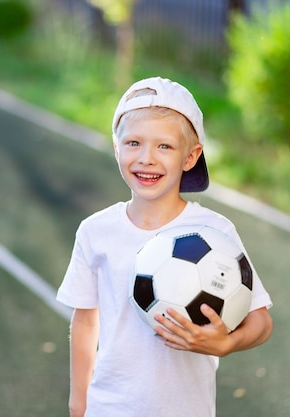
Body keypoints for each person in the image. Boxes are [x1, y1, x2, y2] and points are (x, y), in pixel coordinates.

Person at [56, 77, 273, 417]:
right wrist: (79, 400)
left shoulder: (215, 233)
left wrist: (227, 343)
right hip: (110, 408)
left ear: (191, 156)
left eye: (165, 147)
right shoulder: (95, 231)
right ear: (117, 148)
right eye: (133, 143)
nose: (147, 158)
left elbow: (261, 321)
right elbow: (85, 320)